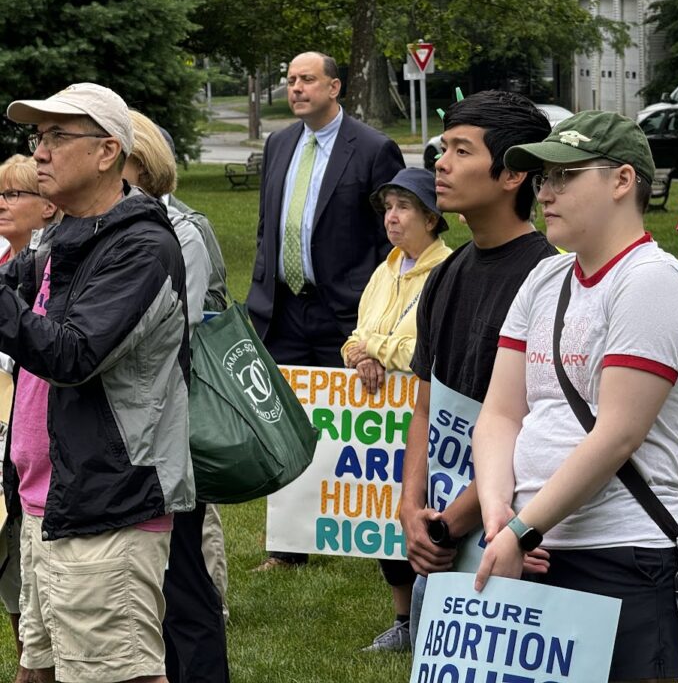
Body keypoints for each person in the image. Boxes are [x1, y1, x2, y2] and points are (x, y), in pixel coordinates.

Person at [473, 111, 678, 682]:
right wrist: (499, 517)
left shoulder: (653, 281)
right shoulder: (544, 279)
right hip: (530, 548)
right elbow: (499, 414)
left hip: (622, 557)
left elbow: (616, 435)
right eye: (542, 178)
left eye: (564, 176)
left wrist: (521, 528)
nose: (544, 192)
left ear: (622, 180)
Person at [3, 82, 193, 683]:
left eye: (58, 136)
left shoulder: (140, 247)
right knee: (40, 670)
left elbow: (73, 354)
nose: (40, 152)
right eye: (38, 137)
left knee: (116, 674)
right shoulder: (63, 239)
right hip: (45, 502)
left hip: (106, 507)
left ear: (108, 152)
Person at [398, 91, 556, 641]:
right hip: (440, 542)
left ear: (513, 174)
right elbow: (424, 406)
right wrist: (412, 509)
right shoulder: (445, 273)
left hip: (511, 543)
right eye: (444, 148)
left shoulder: (547, 280)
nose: (441, 163)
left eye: (462, 151)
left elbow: (538, 426)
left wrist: (448, 525)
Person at [247, 51, 403, 571]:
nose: (296, 88)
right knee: (286, 424)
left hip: (347, 313)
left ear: (335, 87)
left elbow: (392, 240)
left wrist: (380, 320)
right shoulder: (279, 143)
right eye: (290, 80)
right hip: (283, 309)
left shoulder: (374, 148)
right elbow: (269, 224)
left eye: (307, 80)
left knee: (355, 425)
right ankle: (288, 549)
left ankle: (370, 538)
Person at [124, 110, 230, 683]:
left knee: (183, 582)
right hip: (123, 436)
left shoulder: (179, 232)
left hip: (166, 432)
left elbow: (167, 331)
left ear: (138, 164)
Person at [340, 167, 452, 652]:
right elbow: (352, 337)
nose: (392, 216)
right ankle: (404, 620)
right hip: (379, 417)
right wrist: (358, 355)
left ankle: (431, 618)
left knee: (423, 512)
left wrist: (373, 350)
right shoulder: (385, 270)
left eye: (403, 207)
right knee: (382, 515)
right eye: (388, 207)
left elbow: (423, 352)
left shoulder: (446, 271)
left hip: (423, 413)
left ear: (430, 217)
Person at [0, 154, 59, 671]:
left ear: (48, 206)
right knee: (19, 596)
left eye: (14, 193)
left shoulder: (55, 263)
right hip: (16, 458)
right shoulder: (13, 263)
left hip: (47, 469)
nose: (2, 203)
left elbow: (58, 353)